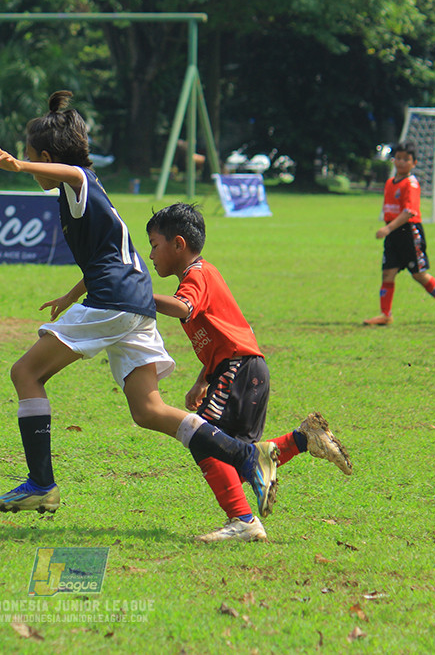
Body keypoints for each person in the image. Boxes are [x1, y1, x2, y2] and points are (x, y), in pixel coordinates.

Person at [0, 91, 279, 519]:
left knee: (25, 373)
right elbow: (108, 254)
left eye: (32, 158)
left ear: (44, 157)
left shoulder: (79, 181)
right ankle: (248, 456)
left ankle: (41, 485)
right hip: (132, 301)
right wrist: (71, 294)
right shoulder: (82, 193)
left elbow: (72, 173)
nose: (30, 167)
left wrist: (20, 165)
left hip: (116, 302)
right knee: (148, 410)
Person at [146, 202, 352, 542]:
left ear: (178, 244)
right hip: (242, 369)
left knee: (203, 437)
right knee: (225, 451)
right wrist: (204, 378)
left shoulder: (197, 275)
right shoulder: (202, 274)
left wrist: (138, 294)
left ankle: (243, 520)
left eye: (155, 245)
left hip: (239, 369)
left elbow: (184, 307)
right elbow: (224, 333)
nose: (151, 255)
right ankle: (303, 440)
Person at [364, 142, 435, 326]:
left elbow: (408, 212)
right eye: (398, 158)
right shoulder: (390, 183)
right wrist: (389, 228)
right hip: (393, 233)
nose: (401, 162)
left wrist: (388, 228)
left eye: (406, 159)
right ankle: (386, 315)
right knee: (388, 273)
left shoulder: (411, 184)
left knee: (419, 274)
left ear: (413, 163)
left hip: (409, 232)